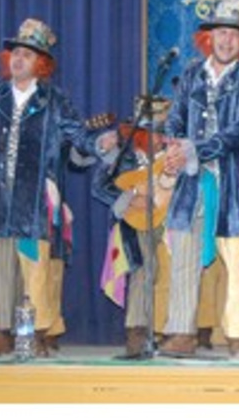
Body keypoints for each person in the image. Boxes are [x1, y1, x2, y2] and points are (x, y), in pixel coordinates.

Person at [0, 19, 117, 358]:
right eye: (15, 53)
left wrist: (99, 143)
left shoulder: (54, 101)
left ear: (40, 63)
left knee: (36, 270)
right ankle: (0, 332)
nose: (18, 60)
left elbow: (78, 136)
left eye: (27, 55)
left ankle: (39, 333)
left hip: (35, 200)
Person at [158, 0, 239, 358]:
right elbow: (175, 118)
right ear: (209, 37)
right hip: (192, 179)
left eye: (234, 35)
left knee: (237, 258)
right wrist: (174, 144)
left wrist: (196, 149)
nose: (226, 40)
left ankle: (238, 336)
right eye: (221, 33)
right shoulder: (191, 72)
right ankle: (181, 332)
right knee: (185, 251)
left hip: (234, 178)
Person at [93, 94, 173, 357]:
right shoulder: (124, 156)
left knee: (173, 269)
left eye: (162, 133)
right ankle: (137, 333)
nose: (159, 139)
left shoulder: (174, 155)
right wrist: (129, 199)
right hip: (136, 222)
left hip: (171, 220)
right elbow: (100, 186)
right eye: (153, 133)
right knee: (144, 267)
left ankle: (170, 331)